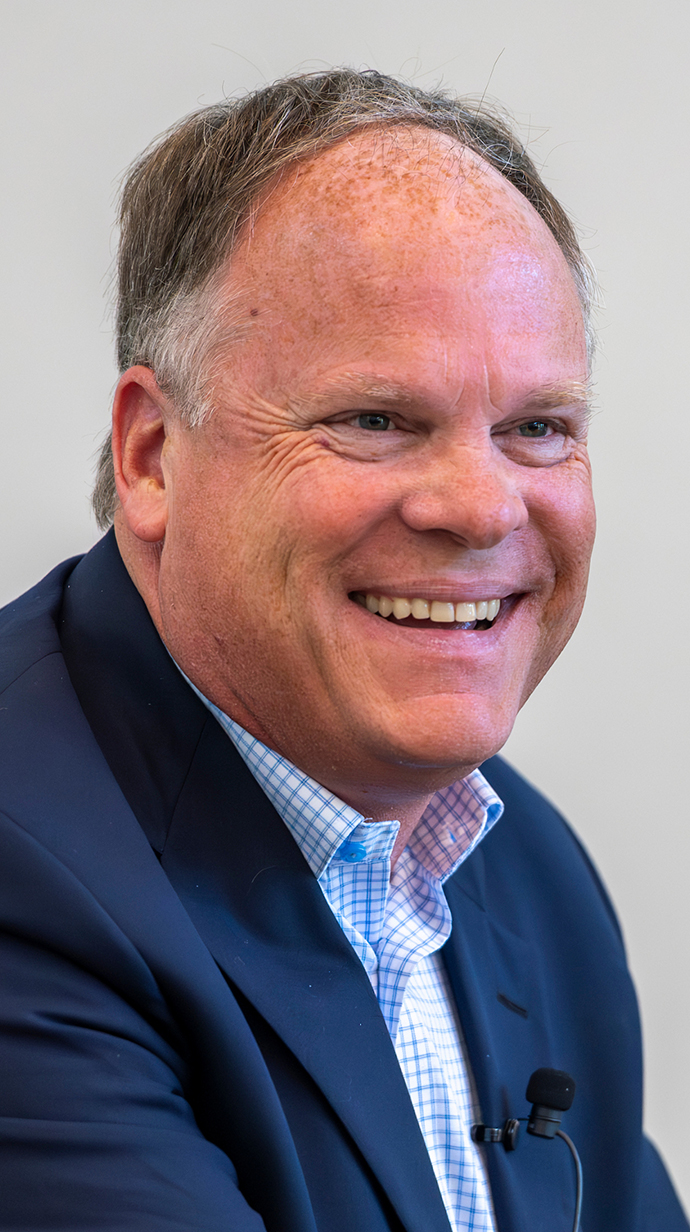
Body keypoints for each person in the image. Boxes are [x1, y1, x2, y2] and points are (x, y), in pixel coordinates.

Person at [0, 69, 686, 1232]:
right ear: (153, 454)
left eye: (537, 428)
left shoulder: (532, 876)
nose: (481, 507)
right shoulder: (25, 881)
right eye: (374, 419)